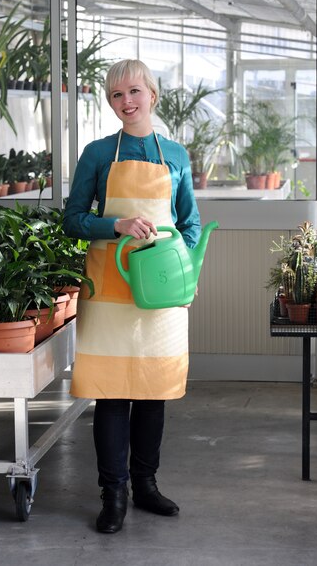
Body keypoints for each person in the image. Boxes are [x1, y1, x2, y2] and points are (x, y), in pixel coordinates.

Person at [63, 59, 202, 534]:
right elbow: (73, 219)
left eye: (135, 91)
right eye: (117, 95)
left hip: (159, 293)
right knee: (111, 394)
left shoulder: (177, 156)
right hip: (108, 290)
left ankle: (145, 485)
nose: (127, 102)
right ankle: (114, 494)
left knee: (153, 393)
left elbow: (191, 226)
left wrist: (181, 272)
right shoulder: (98, 153)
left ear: (153, 94)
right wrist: (115, 224)